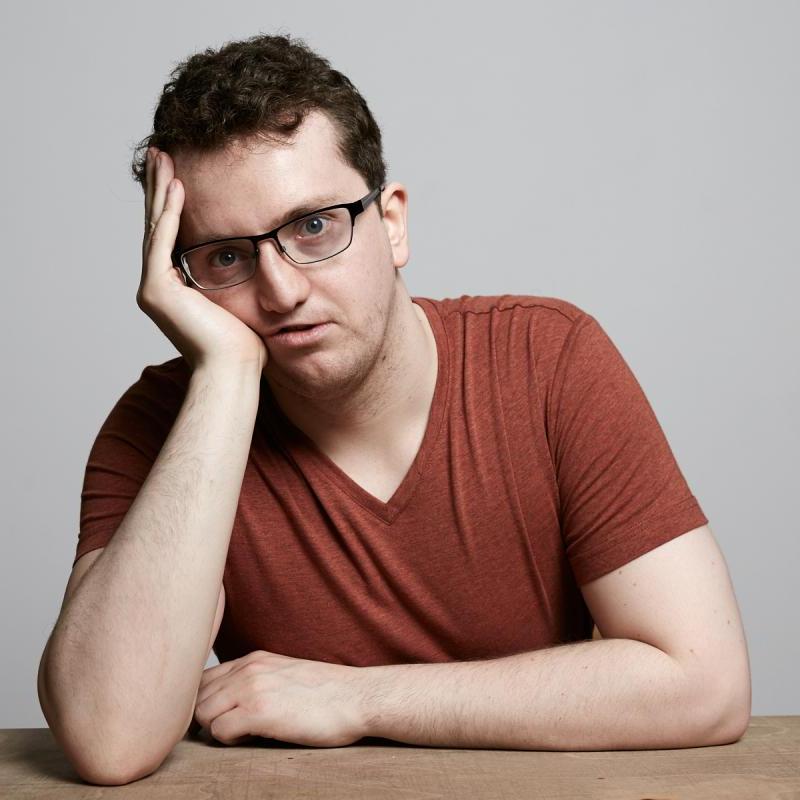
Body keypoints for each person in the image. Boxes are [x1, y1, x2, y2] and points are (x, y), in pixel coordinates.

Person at [37, 32, 751, 786]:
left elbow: (705, 684)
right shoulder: (164, 424)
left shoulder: (550, 361)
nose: (281, 291)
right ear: (182, 280)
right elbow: (108, 736)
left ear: (393, 221)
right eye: (227, 257)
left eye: (314, 226)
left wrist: (359, 699)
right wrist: (224, 377)